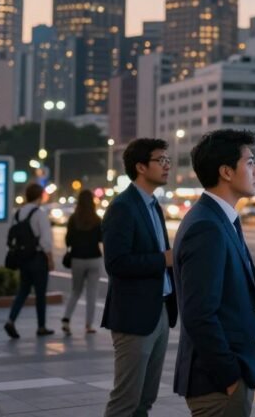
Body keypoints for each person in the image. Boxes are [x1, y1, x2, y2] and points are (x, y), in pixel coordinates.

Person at [173, 129, 255, 417]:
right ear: (226, 171)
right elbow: (198, 314)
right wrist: (229, 377)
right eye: (249, 162)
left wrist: (254, 305)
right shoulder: (207, 227)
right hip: (218, 384)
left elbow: (212, 295)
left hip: (229, 375)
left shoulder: (219, 218)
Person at [101, 138, 178, 417]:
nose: (167, 166)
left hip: (159, 309)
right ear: (141, 167)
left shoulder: (153, 205)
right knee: (126, 401)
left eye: (168, 160)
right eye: (161, 160)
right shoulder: (123, 207)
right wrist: (164, 259)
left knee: (145, 399)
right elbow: (116, 263)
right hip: (134, 316)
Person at [4, 183, 55, 338]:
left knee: (23, 291)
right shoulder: (39, 213)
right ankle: (41, 326)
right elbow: (45, 240)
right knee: (40, 294)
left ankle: (11, 320)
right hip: (38, 258)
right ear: (40, 196)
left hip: (23, 258)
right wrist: (50, 259)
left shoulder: (19, 213)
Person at [61, 189, 104, 336]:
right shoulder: (97, 219)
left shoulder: (73, 219)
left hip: (77, 258)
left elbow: (68, 240)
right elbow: (101, 239)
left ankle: (66, 320)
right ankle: (89, 325)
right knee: (92, 294)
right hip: (94, 258)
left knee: (75, 291)